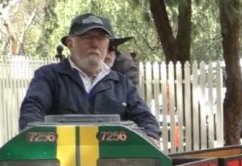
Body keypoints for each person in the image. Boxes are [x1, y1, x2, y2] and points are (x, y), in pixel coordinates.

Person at [19, 13, 159, 143]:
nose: (95, 44)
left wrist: (151, 137)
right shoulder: (48, 77)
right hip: (58, 165)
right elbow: (32, 111)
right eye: (87, 37)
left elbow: (145, 117)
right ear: (70, 43)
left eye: (101, 38)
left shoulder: (122, 84)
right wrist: (36, 140)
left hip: (114, 165)